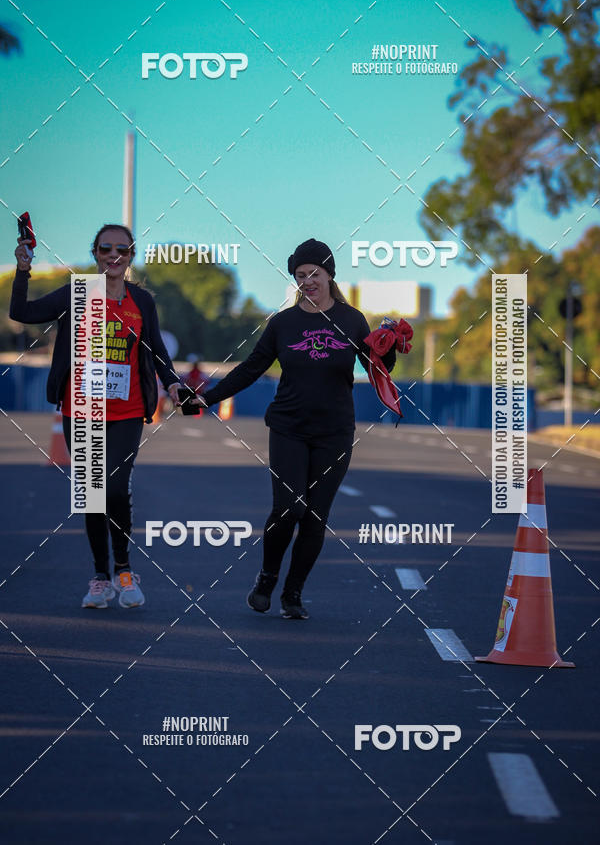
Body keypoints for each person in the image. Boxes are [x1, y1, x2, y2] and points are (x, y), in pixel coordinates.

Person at [198, 238, 397, 619]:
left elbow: (377, 369)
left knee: (315, 517)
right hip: (289, 426)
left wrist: (388, 347)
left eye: (314, 274)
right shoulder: (284, 323)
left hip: (335, 432)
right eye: (300, 275)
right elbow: (251, 367)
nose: (308, 281)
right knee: (287, 508)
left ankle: (293, 593)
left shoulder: (352, 319)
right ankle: (268, 576)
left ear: (329, 275)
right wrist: (208, 396)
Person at [10, 223, 181, 609]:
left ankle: (124, 569)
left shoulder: (142, 301)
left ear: (131, 256)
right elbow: (22, 311)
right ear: (96, 253)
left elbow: (156, 349)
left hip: (128, 409)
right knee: (91, 495)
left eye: (122, 249)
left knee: (116, 489)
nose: (114, 255)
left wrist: (172, 383)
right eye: (106, 249)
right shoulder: (79, 293)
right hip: (81, 408)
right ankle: (101, 577)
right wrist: (23, 269)